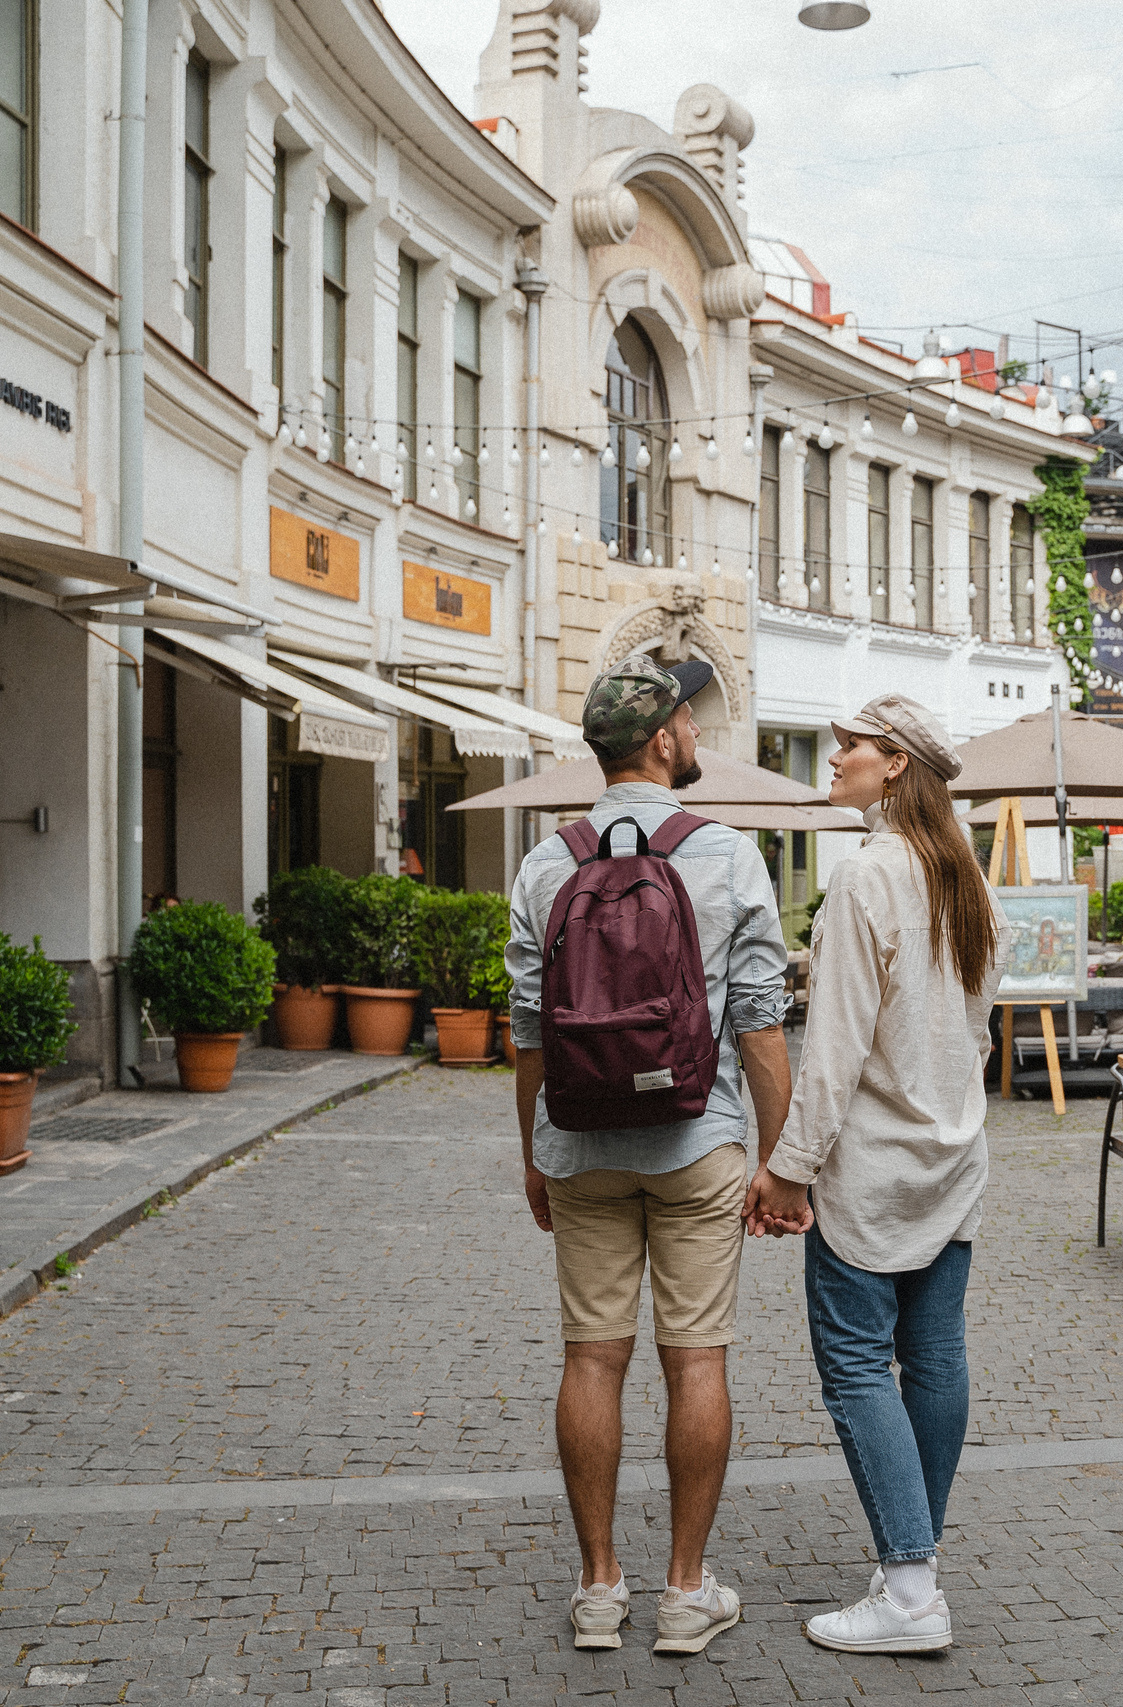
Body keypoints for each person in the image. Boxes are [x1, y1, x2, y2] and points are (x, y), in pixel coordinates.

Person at [506, 655, 793, 1657]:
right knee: (695, 1357)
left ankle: (596, 1590)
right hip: (696, 1141)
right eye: (688, 721)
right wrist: (782, 1157)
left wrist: (534, 1152)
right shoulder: (723, 854)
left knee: (590, 1355)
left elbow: (529, 1030)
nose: (696, 734)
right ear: (663, 738)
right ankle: (682, 1592)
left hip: (579, 1143)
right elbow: (759, 1023)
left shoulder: (546, 863)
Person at [743, 694, 1002, 1655]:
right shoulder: (966, 878)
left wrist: (786, 1169)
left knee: (857, 1364)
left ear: (895, 762)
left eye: (848, 745)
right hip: (954, 1156)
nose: (834, 757)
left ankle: (907, 1589)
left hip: (871, 1168)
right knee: (933, 1360)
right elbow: (974, 1034)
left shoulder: (863, 877)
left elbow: (835, 1050)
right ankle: (913, 1567)